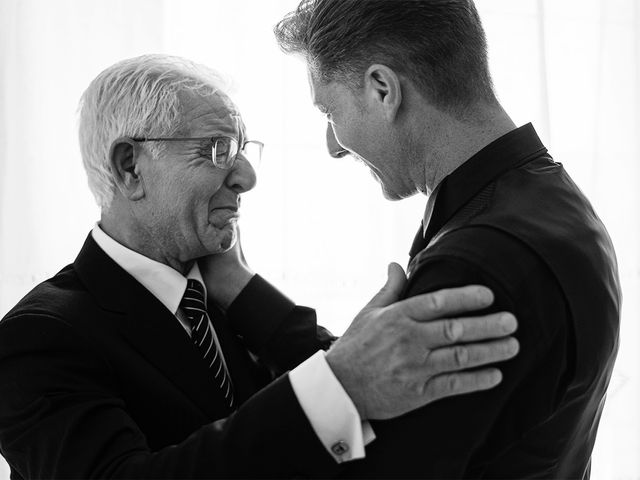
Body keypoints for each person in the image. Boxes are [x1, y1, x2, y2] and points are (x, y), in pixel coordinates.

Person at [0, 55, 520, 479]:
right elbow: (332, 390)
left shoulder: (222, 297)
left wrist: (244, 290)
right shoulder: (38, 338)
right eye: (216, 149)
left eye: (243, 148)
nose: (246, 176)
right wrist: (339, 382)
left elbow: (357, 395)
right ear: (130, 167)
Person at [273, 0, 621, 478]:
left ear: (382, 89)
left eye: (329, 111)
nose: (333, 146)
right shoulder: (555, 200)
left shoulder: (477, 261)